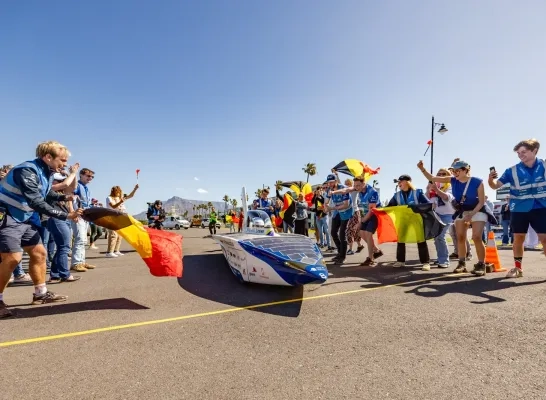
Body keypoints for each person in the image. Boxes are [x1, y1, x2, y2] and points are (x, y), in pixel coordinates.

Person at [0, 141, 82, 318]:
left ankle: (40, 294)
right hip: (7, 216)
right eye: (62, 160)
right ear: (48, 157)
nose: (65, 164)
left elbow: (46, 193)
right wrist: (66, 215)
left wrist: (65, 196)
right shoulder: (27, 170)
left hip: (24, 217)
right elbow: (36, 201)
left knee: (39, 253)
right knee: (12, 258)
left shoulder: (47, 172)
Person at [418, 159, 496, 276]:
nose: (454, 173)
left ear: (465, 170)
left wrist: (471, 215)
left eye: (457, 170)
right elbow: (432, 178)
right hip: (462, 210)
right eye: (453, 171)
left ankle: (481, 264)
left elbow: (481, 202)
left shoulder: (477, 181)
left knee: (476, 237)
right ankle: (461, 263)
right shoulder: (452, 180)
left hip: (478, 209)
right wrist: (422, 168)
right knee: (460, 237)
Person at [488, 138, 546, 278]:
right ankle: (518, 268)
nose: (521, 155)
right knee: (518, 238)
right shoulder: (511, 170)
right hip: (519, 208)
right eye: (519, 153)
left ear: (534, 151)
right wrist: (490, 179)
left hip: (541, 207)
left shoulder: (544, 165)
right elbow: (495, 186)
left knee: (544, 239)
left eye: (524, 152)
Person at [387, 174, 431, 270]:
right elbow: (389, 206)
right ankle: (400, 261)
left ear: (407, 182)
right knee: (401, 239)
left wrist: (418, 207)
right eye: (398, 182)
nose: (399, 183)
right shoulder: (396, 195)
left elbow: (427, 204)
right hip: (403, 219)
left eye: (400, 181)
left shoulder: (418, 192)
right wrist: (379, 210)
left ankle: (425, 262)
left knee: (421, 239)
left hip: (416, 218)